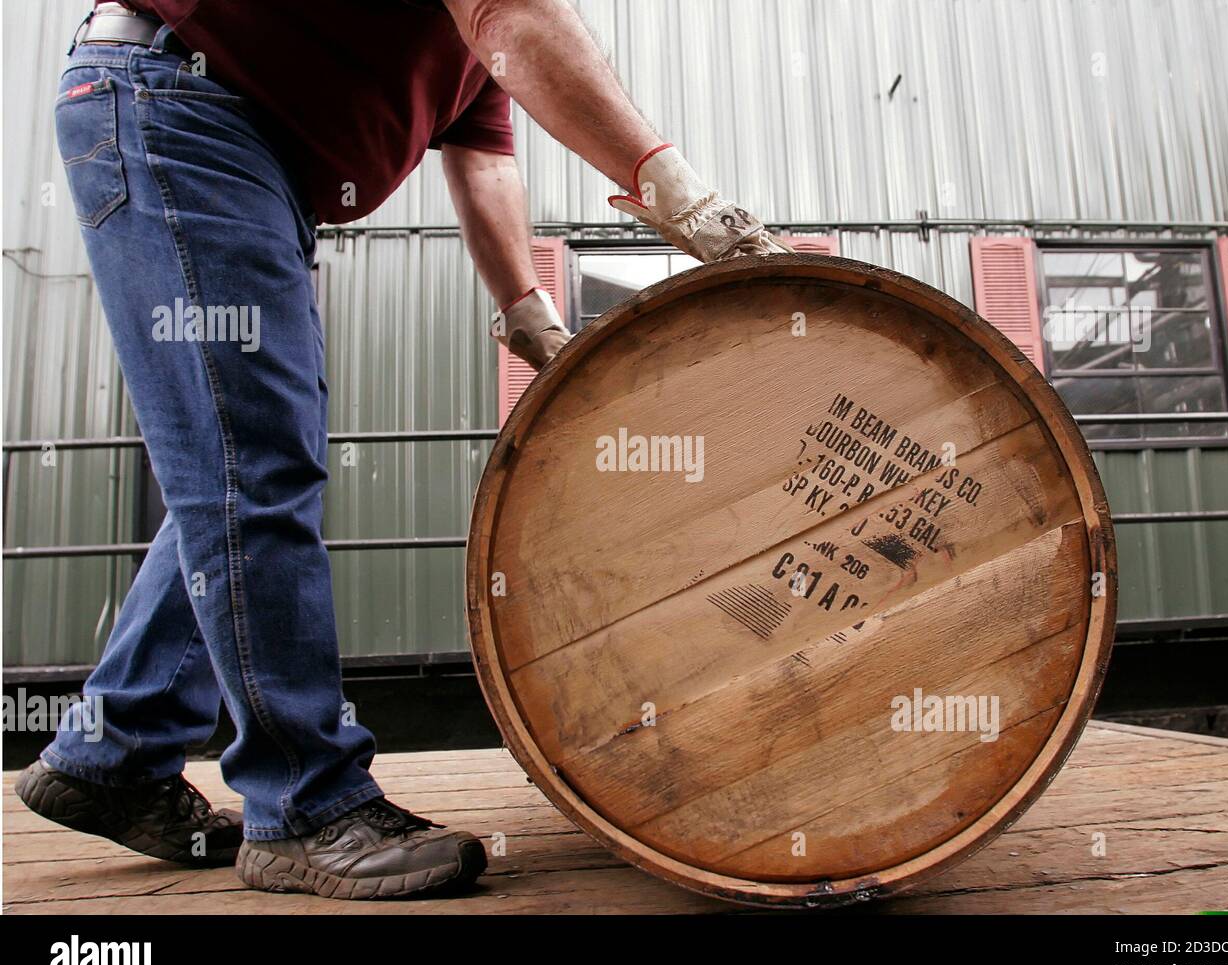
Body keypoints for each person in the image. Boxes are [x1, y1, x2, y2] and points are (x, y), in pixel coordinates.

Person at [16, 0, 788, 901]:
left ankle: (115, 748)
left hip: (236, 141)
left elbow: (486, 159)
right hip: (177, 101)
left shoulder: (460, 58)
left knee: (250, 450)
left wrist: (529, 317)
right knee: (253, 459)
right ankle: (304, 805)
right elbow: (518, 21)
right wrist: (687, 202)